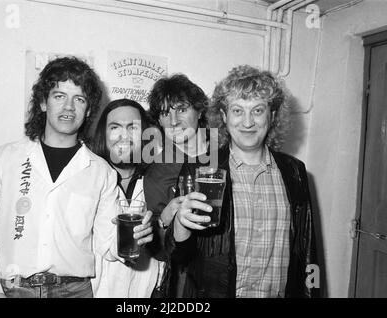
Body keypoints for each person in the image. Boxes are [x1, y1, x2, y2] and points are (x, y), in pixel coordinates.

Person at [0, 57, 153, 298]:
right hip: (12, 290)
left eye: (79, 99)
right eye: (59, 96)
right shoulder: (6, 158)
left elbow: (108, 243)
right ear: (43, 102)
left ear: (89, 110)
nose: (69, 107)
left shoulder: (101, 171)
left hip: (76, 291)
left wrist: (135, 237)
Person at [167, 65, 318, 298]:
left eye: (257, 110)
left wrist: (314, 292)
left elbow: (308, 250)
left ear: (273, 115)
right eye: (237, 111)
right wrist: (180, 223)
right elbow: (179, 257)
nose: (248, 123)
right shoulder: (198, 169)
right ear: (225, 116)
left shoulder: (295, 172)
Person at [143, 74, 214, 297]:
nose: (173, 121)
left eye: (181, 109)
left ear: (200, 111)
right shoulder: (157, 171)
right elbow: (157, 251)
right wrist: (164, 220)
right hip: (187, 281)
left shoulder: (225, 153)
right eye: (165, 113)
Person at [89, 98, 164, 298]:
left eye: (133, 128)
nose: (124, 136)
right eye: (115, 127)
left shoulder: (158, 180)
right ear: (102, 134)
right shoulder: (87, 178)